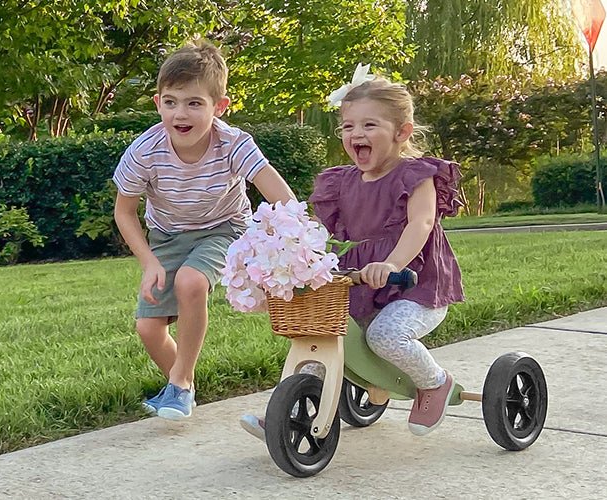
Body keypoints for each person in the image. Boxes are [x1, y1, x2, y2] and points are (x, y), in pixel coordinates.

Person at [240, 65, 465, 437]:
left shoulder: (416, 175)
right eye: (348, 126)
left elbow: (421, 225)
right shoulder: (340, 183)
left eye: (369, 125)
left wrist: (390, 263)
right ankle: (288, 414)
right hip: (360, 286)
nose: (356, 134)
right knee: (321, 335)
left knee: (385, 337)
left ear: (402, 132)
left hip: (414, 287)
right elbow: (323, 234)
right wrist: (292, 253)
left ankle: (434, 383)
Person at [113, 39, 296, 420]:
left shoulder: (233, 143)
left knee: (191, 283)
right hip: (167, 235)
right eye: (171, 101)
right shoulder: (144, 150)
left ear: (219, 107)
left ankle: (178, 387)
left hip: (225, 227)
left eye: (195, 103)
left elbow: (280, 195)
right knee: (148, 328)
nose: (181, 113)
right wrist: (149, 262)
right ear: (157, 102)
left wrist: (291, 241)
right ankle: (183, 385)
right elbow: (125, 212)